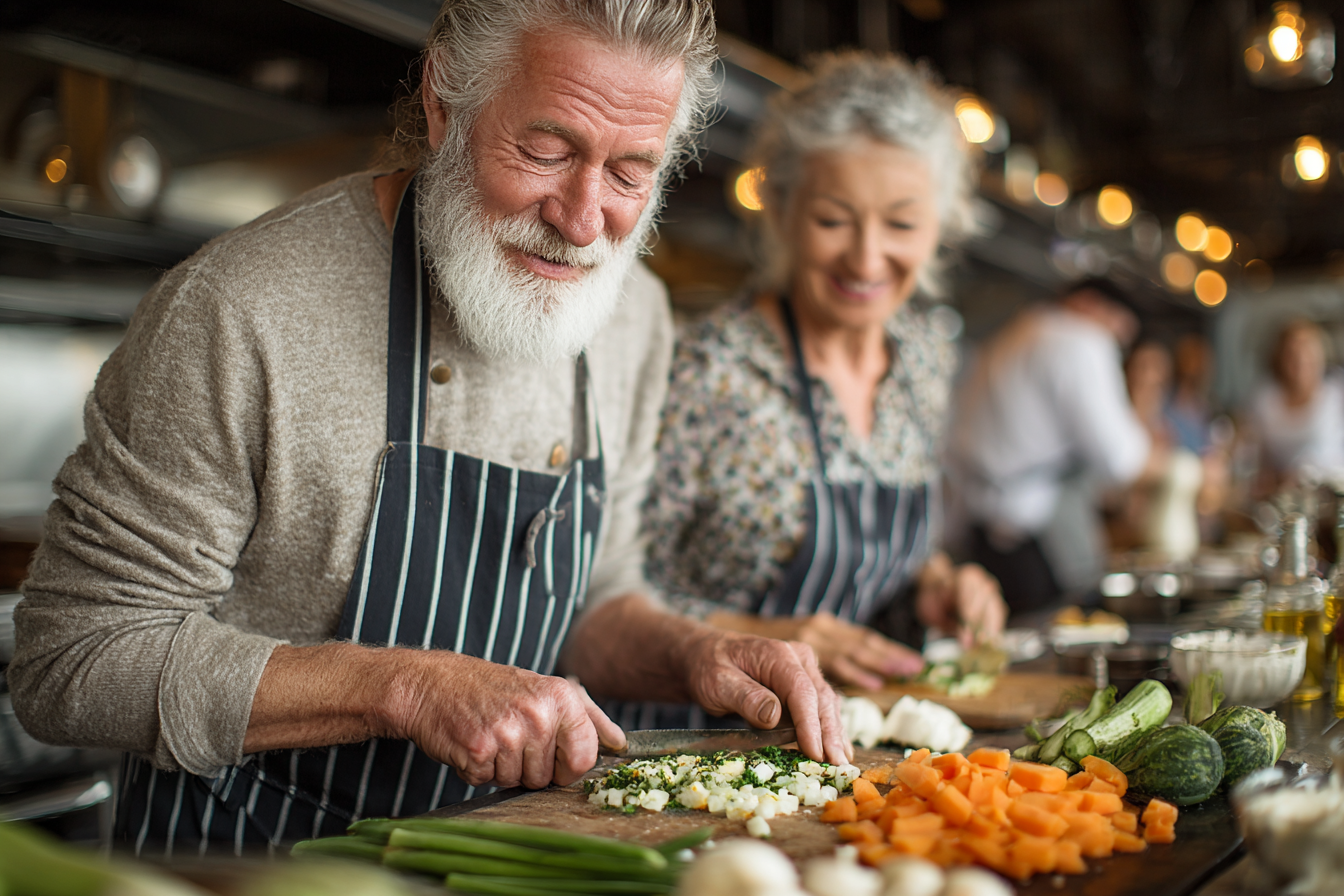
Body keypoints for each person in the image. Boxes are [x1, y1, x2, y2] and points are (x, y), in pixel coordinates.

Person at [8, 0, 849, 855]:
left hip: (502, 861)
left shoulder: (634, 318)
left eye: (632, 172)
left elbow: (593, 598)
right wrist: (405, 688)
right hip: (249, 861)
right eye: (547, 151)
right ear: (447, 104)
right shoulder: (239, 311)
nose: (583, 218)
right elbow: (73, 660)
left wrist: (690, 654)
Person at [625, 53, 1005, 732]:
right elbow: (606, 592)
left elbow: (886, 557)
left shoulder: (922, 359)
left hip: (847, 735)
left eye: (901, 225)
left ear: (941, 227)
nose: (865, 258)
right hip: (687, 740)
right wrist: (752, 632)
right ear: (780, 208)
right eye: (834, 219)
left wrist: (935, 583)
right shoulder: (710, 368)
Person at [950, 279, 1157, 613]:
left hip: (979, 530)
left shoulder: (1011, 334)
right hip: (1037, 536)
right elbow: (1121, 459)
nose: (1117, 343)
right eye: (1118, 331)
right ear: (1089, 303)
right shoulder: (1077, 339)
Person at [1245, 318, 1344, 493]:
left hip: (1331, 494)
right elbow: (1254, 457)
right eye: (1292, 352)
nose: (1301, 358)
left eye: (1307, 350)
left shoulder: (1337, 393)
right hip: (1283, 498)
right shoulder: (1264, 400)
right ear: (1279, 357)